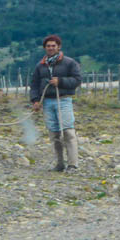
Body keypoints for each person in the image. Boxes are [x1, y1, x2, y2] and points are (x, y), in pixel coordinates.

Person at [30, 34, 82, 172]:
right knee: (54, 134)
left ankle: (73, 164)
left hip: (63, 100)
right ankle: (60, 163)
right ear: (45, 48)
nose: (51, 48)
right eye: (48, 46)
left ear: (59, 47)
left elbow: (77, 80)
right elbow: (34, 84)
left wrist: (61, 81)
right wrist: (35, 100)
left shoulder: (69, 63)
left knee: (68, 132)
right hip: (47, 102)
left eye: (53, 46)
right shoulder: (40, 66)